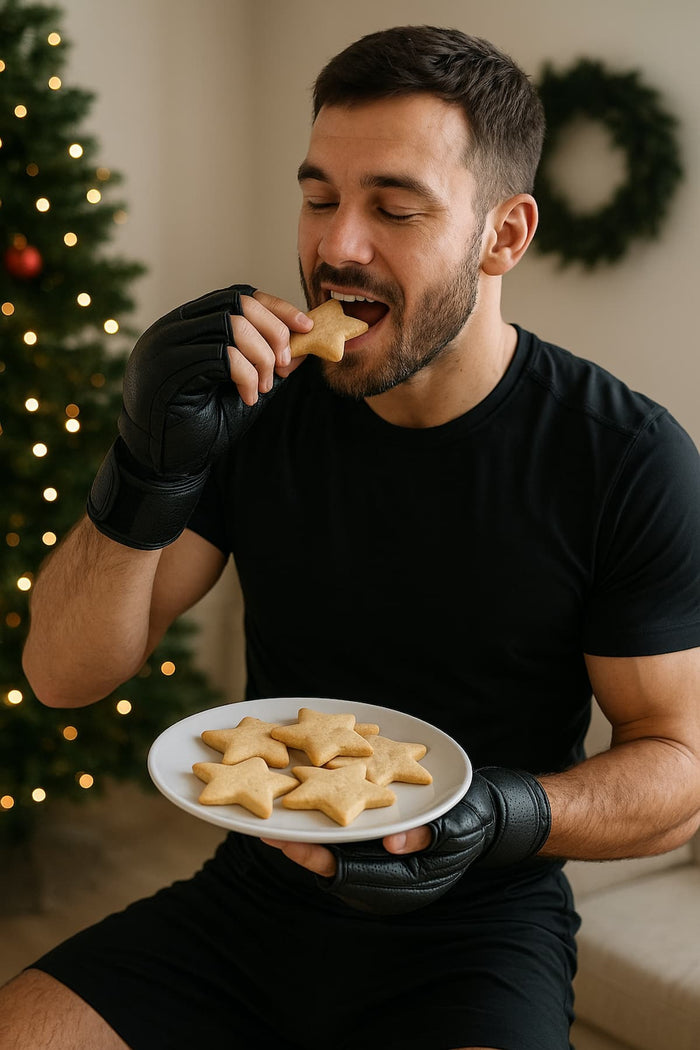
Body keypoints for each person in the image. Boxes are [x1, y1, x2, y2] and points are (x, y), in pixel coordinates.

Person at [2, 23, 700, 1050]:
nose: (336, 246)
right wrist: (144, 466)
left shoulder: (623, 457)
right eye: (320, 195)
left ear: (503, 235)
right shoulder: (259, 411)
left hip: (478, 925)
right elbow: (63, 675)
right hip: (250, 905)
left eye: (394, 207)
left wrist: (498, 817)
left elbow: (677, 771)